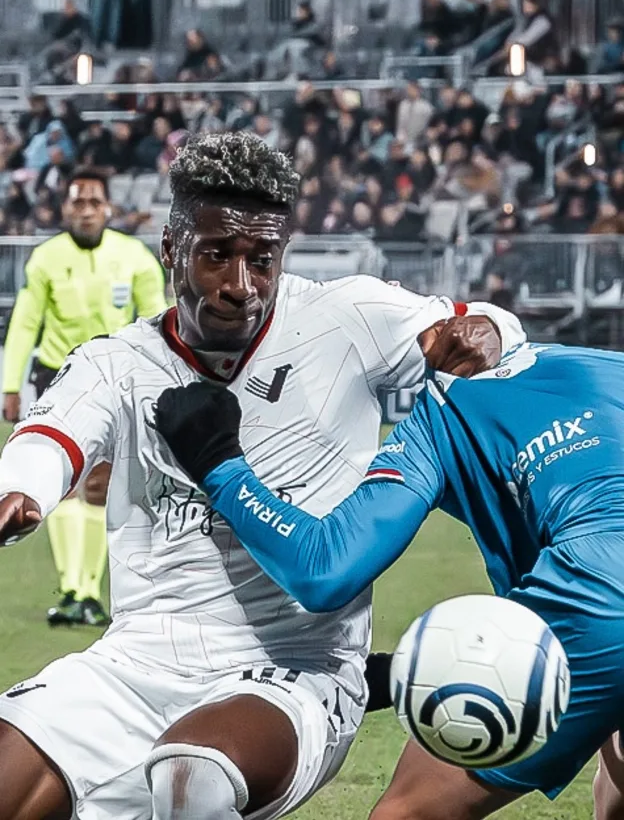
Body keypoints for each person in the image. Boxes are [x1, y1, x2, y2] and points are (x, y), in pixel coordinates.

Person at [0, 132, 523, 820]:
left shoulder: (346, 317)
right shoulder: (117, 361)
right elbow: (48, 438)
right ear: (171, 250)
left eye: (262, 259)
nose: (240, 286)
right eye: (216, 255)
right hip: (132, 664)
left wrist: (486, 333)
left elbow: (490, 325)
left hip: (294, 669)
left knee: (194, 776)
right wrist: (22, 492)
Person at [158, 339, 624, 820]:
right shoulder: (602, 361)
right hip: (605, 591)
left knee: (407, 811)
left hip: (601, 588)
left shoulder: (442, 409)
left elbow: (325, 569)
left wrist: (218, 464)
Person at [2, 168, 166, 627]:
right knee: (61, 484)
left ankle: (88, 592)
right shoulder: (46, 259)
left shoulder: (133, 258)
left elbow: (157, 321)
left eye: (95, 201)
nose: (87, 210)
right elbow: (25, 323)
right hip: (56, 377)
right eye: (78, 202)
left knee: (99, 486)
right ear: (65, 208)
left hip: (115, 381)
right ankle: (74, 587)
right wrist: (11, 383)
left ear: (108, 207)